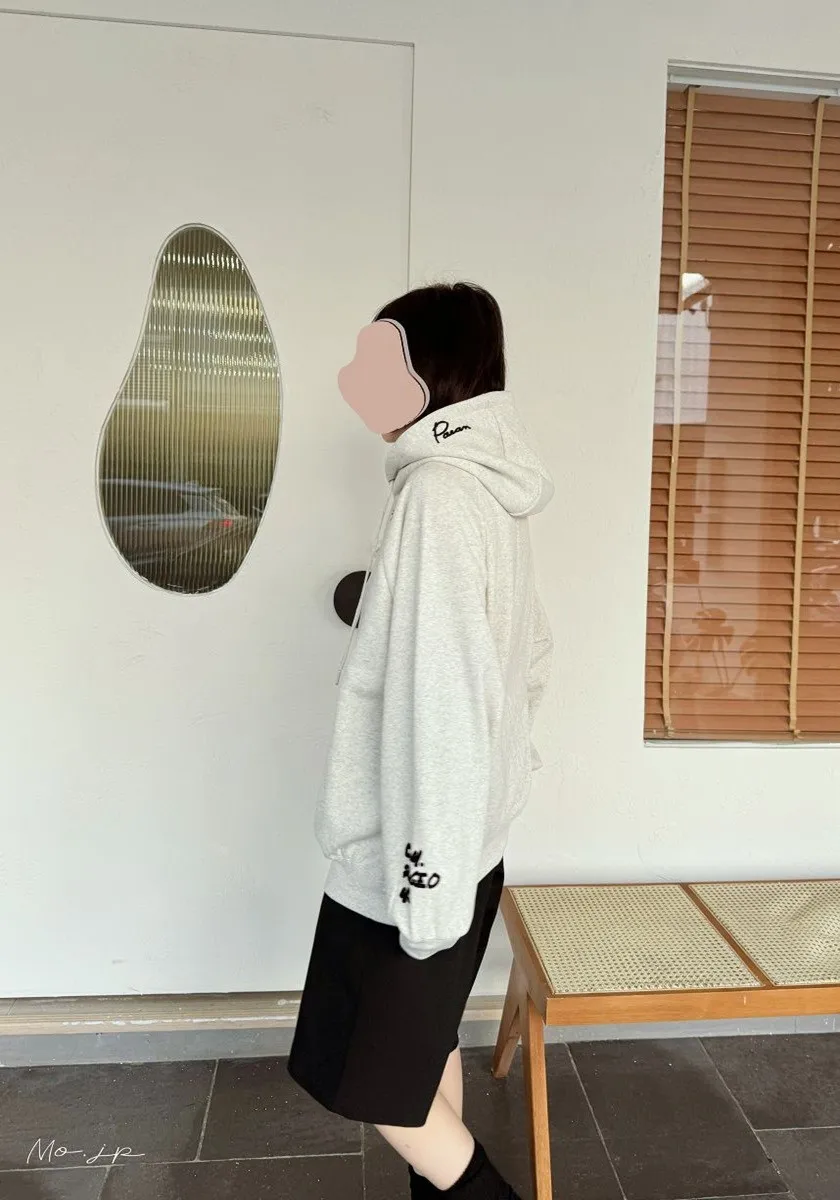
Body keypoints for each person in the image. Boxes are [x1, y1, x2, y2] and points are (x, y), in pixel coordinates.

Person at [288, 282, 553, 1199]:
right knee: (420, 1060)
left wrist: (425, 889)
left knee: (379, 1090)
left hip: (416, 864)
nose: (351, 378)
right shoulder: (487, 490)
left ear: (429, 373)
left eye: (375, 359)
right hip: (460, 847)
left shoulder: (438, 495)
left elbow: (440, 702)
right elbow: (527, 655)